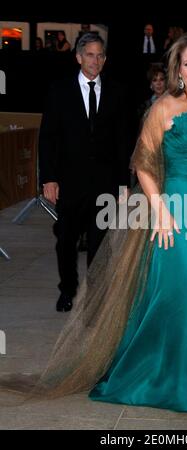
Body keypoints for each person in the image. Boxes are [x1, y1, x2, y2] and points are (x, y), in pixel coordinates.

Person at [0, 31, 187, 413]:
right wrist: (161, 210)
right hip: (177, 208)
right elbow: (143, 163)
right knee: (180, 291)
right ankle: (162, 375)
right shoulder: (164, 107)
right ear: (177, 69)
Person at [39, 33, 133, 313]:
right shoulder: (59, 90)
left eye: (101, 55)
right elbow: (48, 138)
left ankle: (95, 296)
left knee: (100, 242)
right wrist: (49, 178)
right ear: (78, 57)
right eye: (90, 54)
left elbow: (123, 142)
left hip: (105, 183)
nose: (96, 60)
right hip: (69, 183)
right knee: (66, 240)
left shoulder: (118, 92)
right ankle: (67, 289)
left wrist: (123, 184)